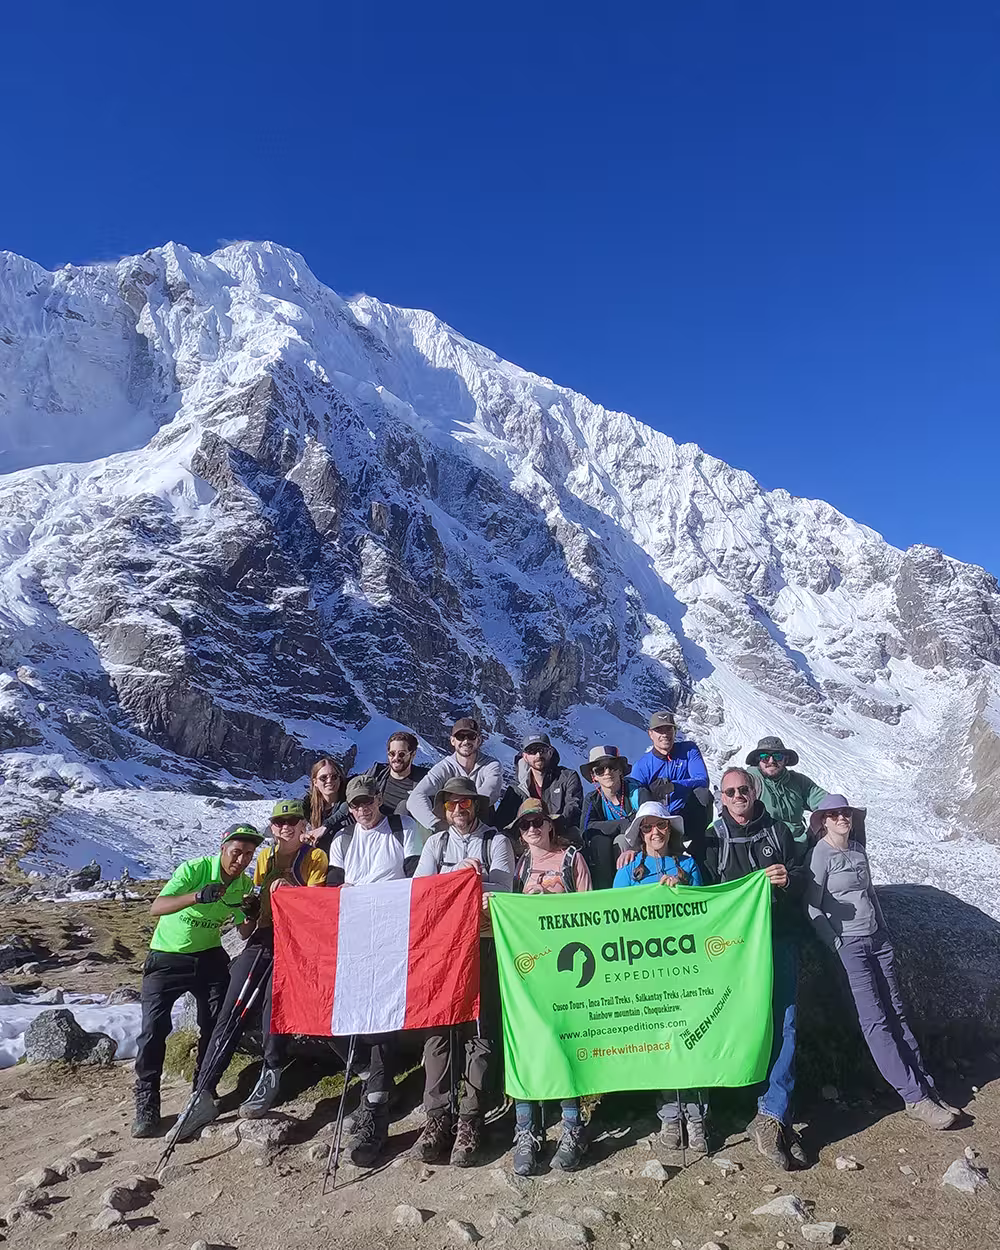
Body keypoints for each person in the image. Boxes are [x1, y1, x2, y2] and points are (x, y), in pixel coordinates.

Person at [173, 799, 328, 1140]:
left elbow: (317, 905)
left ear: (303, 825)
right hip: (263, 936)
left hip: (296, 938)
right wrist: (252, 910)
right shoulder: (264, 859)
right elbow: (254, 907)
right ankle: (204, 1090)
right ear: (273, 827)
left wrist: (292, 892)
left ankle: (271, 1071)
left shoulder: (315, 858)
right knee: (232, 1005)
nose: (286, 826)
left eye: (293, 821)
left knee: (276, 999)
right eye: (280, 822)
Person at [805, 794, 957, 1129]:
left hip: (877, 939)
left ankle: (926, 1087)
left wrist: (883, 929)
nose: (843, 818)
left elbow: (870, 892)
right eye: (835, 814)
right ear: (824, 822)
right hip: (851, 946)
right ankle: (914, 1097)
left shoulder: (858, 850)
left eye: (845, 813)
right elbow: (812, 906)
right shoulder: (820, 855)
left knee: (897, 1013)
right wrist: (834, 941)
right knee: (875, 1021)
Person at [701, 767, 808, 1170]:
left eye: (744, 789)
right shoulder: (712, 840)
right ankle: (751, 1106)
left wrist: (787, 878)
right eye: (730, 792)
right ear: (722, 798)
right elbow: (704, 889)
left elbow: (803, 876)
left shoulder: (779, 832)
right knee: (739, 1021)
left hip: (779, 937)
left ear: (754, 791)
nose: (738, 795)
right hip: (734, 949)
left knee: (786, 1021)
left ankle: (773, 1114)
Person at [132, 824, 262, 1138]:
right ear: (223, 848)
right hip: (167, 956)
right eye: (236, 852)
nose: (241, 859)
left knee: (217, 1024)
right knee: (153, 1029)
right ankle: (146, 1103)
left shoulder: (243, 884)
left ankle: (202, 1090)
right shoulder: (195, 869)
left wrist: (252, 914)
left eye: (248, 854)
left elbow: (244, 933)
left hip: (209, 956)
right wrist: (196, 896)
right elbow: (157, 907)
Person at [411, 776, 515, 1166]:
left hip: (484, 945)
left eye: (465, 803)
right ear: (443, 808)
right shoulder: (435, 844)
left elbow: (505, 889)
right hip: (443, 949)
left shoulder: (497, 842)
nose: (459, 809)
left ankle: (470, 1118)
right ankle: (437, 1117)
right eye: (452, 804)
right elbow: (422, 891)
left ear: (476, 805)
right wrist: (460, 879)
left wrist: (475, 880)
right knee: (438, 1031)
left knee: (479, 1030)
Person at [326, 776, 425, 1164]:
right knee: (336, 1013)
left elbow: (418, 878)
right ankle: (371, 1075)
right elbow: (333, 890)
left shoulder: (404, 829)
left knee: (380, 1016)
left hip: (393, 937)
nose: (362, 809)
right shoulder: (343, 841)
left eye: (367, 801)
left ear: (379, 799)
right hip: (353, 939)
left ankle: (376, 1111)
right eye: (355, 805)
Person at [612, 801, 706, 1152]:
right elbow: (615, 918)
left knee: (692, 1036)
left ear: (670, 831)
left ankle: (697, 1114)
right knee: (662, 1041)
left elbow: (706, 911)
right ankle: (670, 1112)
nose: (655, 832)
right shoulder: (627, 872)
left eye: (661, 826)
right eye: (648, 827)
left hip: (685, 964)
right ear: (640, 834)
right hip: (646, 969)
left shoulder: (689, 865)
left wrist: (684, 886)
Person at [508, 798, 591, 1174]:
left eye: (537, 822)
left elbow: (592, 911)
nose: (531, 829)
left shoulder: (571, 859)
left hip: (568, 966)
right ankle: (527, 1130)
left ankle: (573, 1127)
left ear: (550, 824)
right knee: (527, 1044)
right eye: (524, 825)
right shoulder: (522, 864)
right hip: (528, 967)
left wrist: (555, 901)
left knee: (566, 1042)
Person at [629, 711, 711, 858]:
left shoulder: (689, 750)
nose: (665, 734)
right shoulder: (642, 766)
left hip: (686, 815)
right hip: (658, 822)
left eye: (668, 729)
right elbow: (634, 797)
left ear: (675, 731)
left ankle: (700, 842)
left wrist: (676, 785)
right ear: (650, 734)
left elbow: (702, 779)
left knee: (703, 794)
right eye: (659, 730)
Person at [407, 717, 505, 833]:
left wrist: (466, 811)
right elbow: (415, 798)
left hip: (480, 824)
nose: (466, 741)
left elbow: (491, 791)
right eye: (460, 737)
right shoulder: (444, 767)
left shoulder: (491, 765)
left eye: (471, 737)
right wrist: (436, 825)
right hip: (450, 824)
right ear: (452, 741)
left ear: (478, 740)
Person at [580, 745, 648, 889]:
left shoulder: (637, 791)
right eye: (600, 769)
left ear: (621, 770)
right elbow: (585, 828)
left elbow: (649, 818)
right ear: (594, 777)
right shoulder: (593, 799)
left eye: (612, 766)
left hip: (640, 844)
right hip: (606, 849)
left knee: (621, 840)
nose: (607, 772)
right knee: (599, 840)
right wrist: (621, 824)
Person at [495, 732, 584, 838]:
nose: (538, 755)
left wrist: (552, 825)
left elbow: (574, 807)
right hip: (529, 837)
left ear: (550, 752)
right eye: (532, 751)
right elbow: (501, 820)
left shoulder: (567, 777)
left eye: (542, 750)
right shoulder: (517, 788)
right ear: (525, 756)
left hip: (560, 833)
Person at [746, 737, 829, 846]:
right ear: (758, 761)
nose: (771, 761)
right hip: (766, 848)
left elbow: (825, 801)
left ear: (786, 759)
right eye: (764, 757)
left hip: (800, 846)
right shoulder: (749, 782)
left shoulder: (798, 781)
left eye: (777, 756)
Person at [357, 731, 429, 818]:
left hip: (406, 828)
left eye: (401, 754)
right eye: (392, 754)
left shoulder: (425, 780)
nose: (396, 758)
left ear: (412, 755)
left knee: (404, 806)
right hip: (375, 825)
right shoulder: (376, 774)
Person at [301, 757, 350, 854]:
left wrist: (325, 826)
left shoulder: (349, 798)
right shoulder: (308, 807)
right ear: (315, 782)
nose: (329, 781)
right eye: (323, 777)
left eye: (334, 777)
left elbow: (350, 804)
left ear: (339, 779)